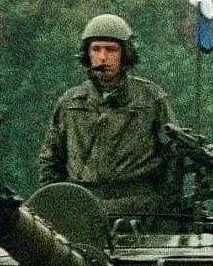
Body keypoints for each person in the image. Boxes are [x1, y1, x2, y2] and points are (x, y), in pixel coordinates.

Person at [39, 14, 183, 217]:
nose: (103, 57)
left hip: (140, 210)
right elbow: (51, 162)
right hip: (84, 209)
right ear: (87, 54)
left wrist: (166, 207)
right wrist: (58, 206)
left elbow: (173, 155)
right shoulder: (70, 103)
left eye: (111, 50)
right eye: (96, 49)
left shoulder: (150, 99)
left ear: (125, 54)